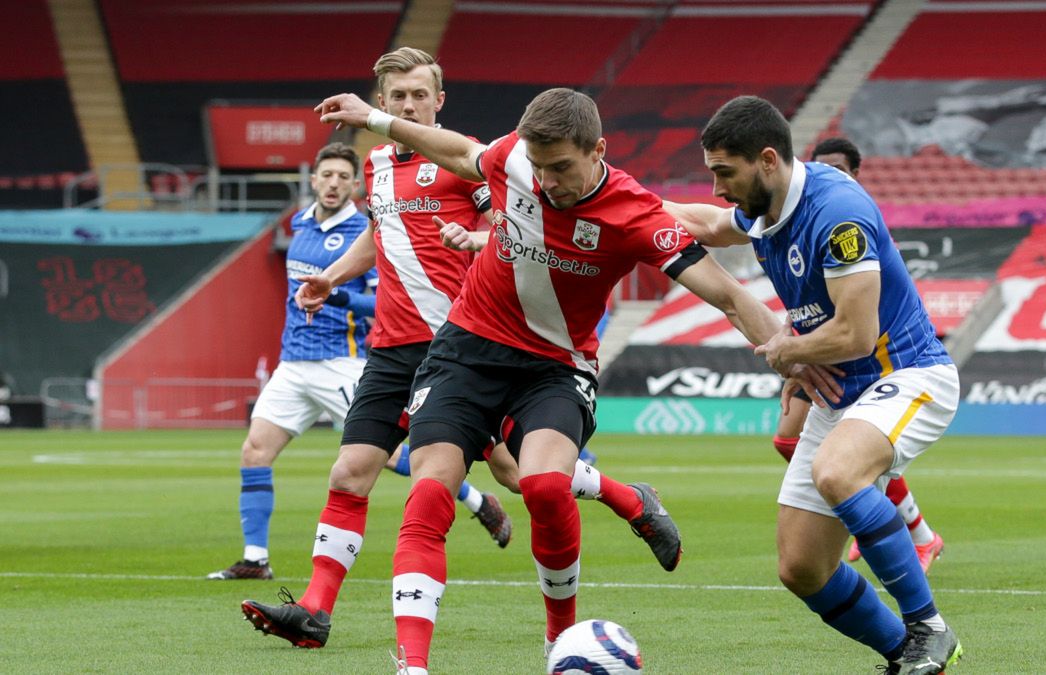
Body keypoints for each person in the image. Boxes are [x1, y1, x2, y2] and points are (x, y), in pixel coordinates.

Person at [303, 86, 781, 674]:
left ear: (598, 150)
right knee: (428, 492)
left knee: (545, 488)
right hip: (466, 351)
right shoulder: (514, 160)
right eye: (540, 166)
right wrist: (373, 118)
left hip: (556, 366)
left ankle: (559, 641)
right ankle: (413, 668)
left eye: (562, 168)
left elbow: (730, 296)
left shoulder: (634, 214)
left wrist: (793, 356)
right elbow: (455, 151)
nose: (548, 181)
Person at [239, 51, 691, 657]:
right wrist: (333, 276)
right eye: (397, 96)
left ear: (438, 101)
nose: (407, 106)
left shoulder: (464, 160)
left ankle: (630, 499)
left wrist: (475, 238)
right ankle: (315, 612)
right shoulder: (374, 166)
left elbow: (521, 222)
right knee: (349, 473)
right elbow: (382, 233)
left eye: (418, 96)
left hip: (471, 346)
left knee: (523, 475)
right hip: (394, 349)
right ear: (384, 97)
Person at [666, 97, 962, 674]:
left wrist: (786, 349)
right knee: (802, 568)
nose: (720, 188)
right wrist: (609, 202)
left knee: (837, 472)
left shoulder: (838, 213)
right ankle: (907, 658)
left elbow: (857, 332)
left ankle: (930, 628)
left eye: (725, 173)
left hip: (905, 374)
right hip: (841, 393)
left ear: (768, 160)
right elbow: (704, 222)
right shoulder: (767, 204)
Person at [205, 142, 513, 581]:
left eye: (341, 177)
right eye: (324, 175)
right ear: (312, 180)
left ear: (355, 185)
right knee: (255, 451)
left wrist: (339, 295)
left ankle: (474, 498)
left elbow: (384, 298)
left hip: (343, 361)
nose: (331, 183)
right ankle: (255, 559)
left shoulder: (367, 229)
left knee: (380, 459)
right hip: (294, 361)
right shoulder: (299, 225)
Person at [771, 137, 944, 574]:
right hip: (824, 356)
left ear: (856, 174)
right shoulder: (804, 216)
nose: (832, 174)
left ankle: (914, 534)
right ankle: (880, 515)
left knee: (847, 460)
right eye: (824, 166)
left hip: (869, 357)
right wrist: (797, 349)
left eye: (841, 168)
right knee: (788, 440)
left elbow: (864, 309)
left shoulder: (852, 221)